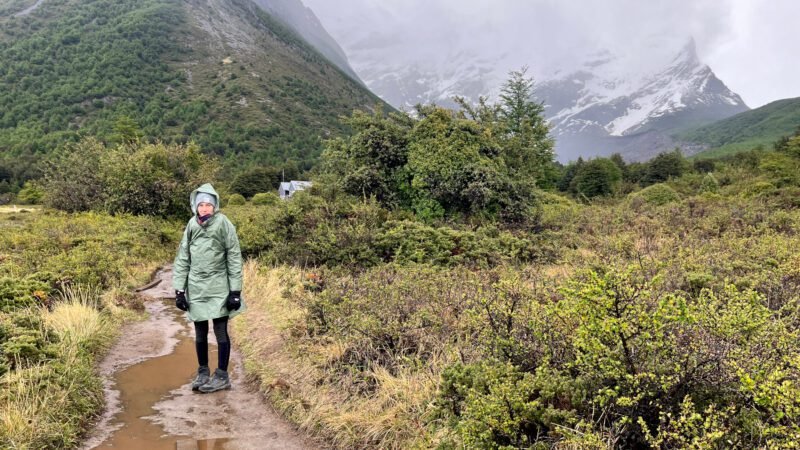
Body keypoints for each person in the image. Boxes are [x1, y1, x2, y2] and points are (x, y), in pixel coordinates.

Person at [172, 183, 246, 393]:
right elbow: (183, 257)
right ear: (195, 206)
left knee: (220, 330)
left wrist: (235, 291)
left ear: (215, 207)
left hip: (219, 286)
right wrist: (179, 290)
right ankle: (203, 372)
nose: (204, 208)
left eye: (208, 205)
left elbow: (233, 256)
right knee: (200, 331)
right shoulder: (191, 225)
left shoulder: (223, 223)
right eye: (201, 204)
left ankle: (222, 375)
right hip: (196, 287)